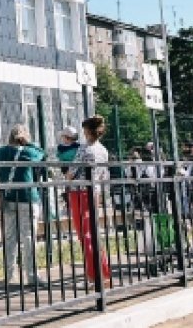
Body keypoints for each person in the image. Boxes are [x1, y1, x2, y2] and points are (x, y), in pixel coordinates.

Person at [0, 124, 45, 287]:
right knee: (29, 237)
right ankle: (31, 276)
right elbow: (41, 153)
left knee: (10, 237)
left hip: (8, 197)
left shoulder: (1, 152)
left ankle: (9, 275)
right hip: (27, 197)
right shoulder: (30, 152)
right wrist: (28, 143)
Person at [65, 115, 112, 283]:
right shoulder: (103, 150)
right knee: (93, 231)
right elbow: (104, 175)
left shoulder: (84, 149)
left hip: (79, 192)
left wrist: (66, 178)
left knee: (84, 234)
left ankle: (94, 274)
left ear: (87, 131)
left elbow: (71, 172)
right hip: (94, 192)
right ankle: (103, 270)